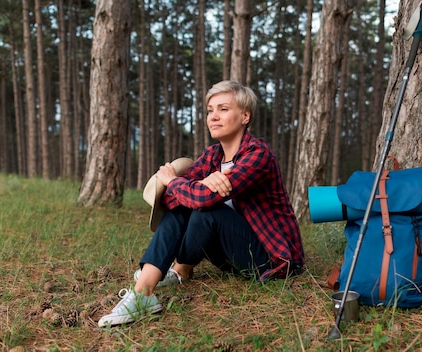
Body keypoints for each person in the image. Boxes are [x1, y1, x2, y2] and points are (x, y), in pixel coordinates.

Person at [98, 80, 305, 327]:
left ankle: (174, 273)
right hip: (232, 257)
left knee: (207, 209)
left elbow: (204, 200)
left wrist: (178, 182)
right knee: (186, 205)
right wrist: (202, 183)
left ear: (245, 116)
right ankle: (145, 292)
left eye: (223, 109)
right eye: (210, 110)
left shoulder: (258, 154)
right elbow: (170, 201)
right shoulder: (211, 156)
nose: (213, 117)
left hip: (270, 261)